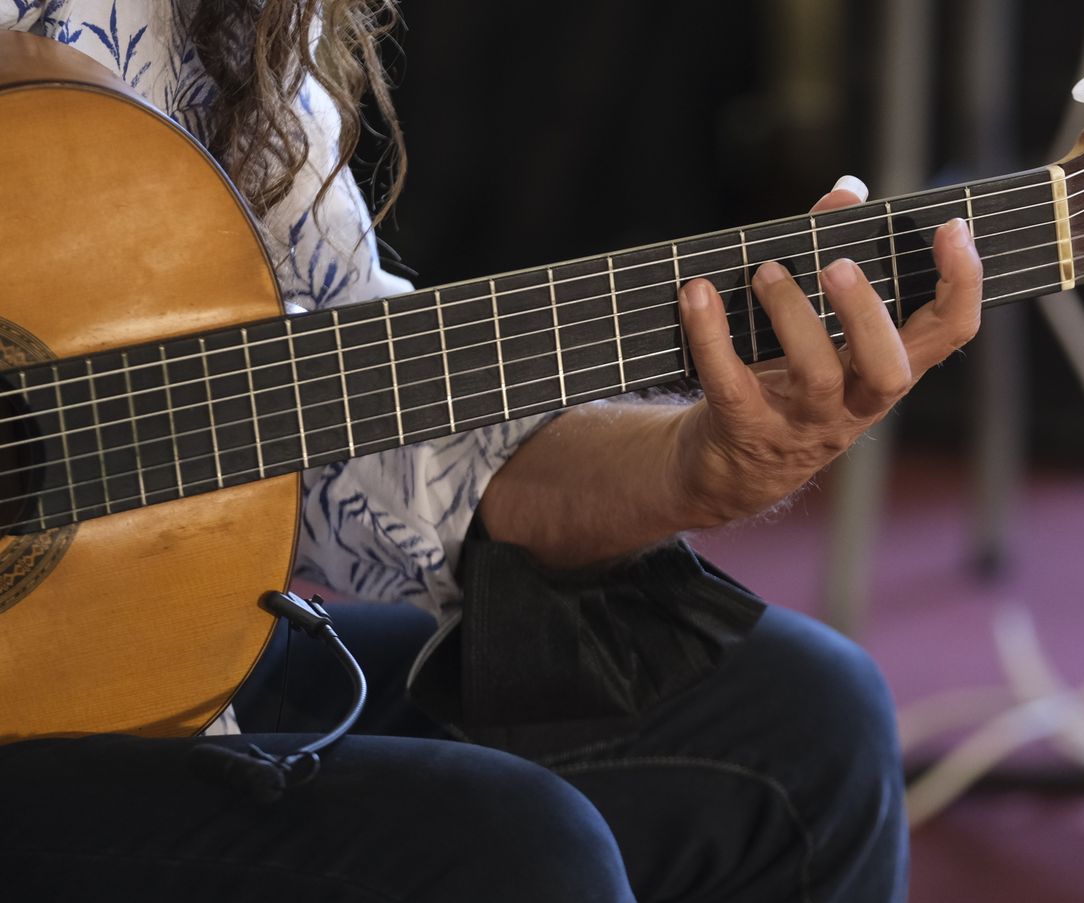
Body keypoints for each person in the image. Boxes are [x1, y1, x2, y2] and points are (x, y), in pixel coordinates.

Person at [0, 2, 982, 901]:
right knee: (512, 855)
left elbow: (345, 419)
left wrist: (695, 463)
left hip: (121, 671)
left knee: (798, 725)